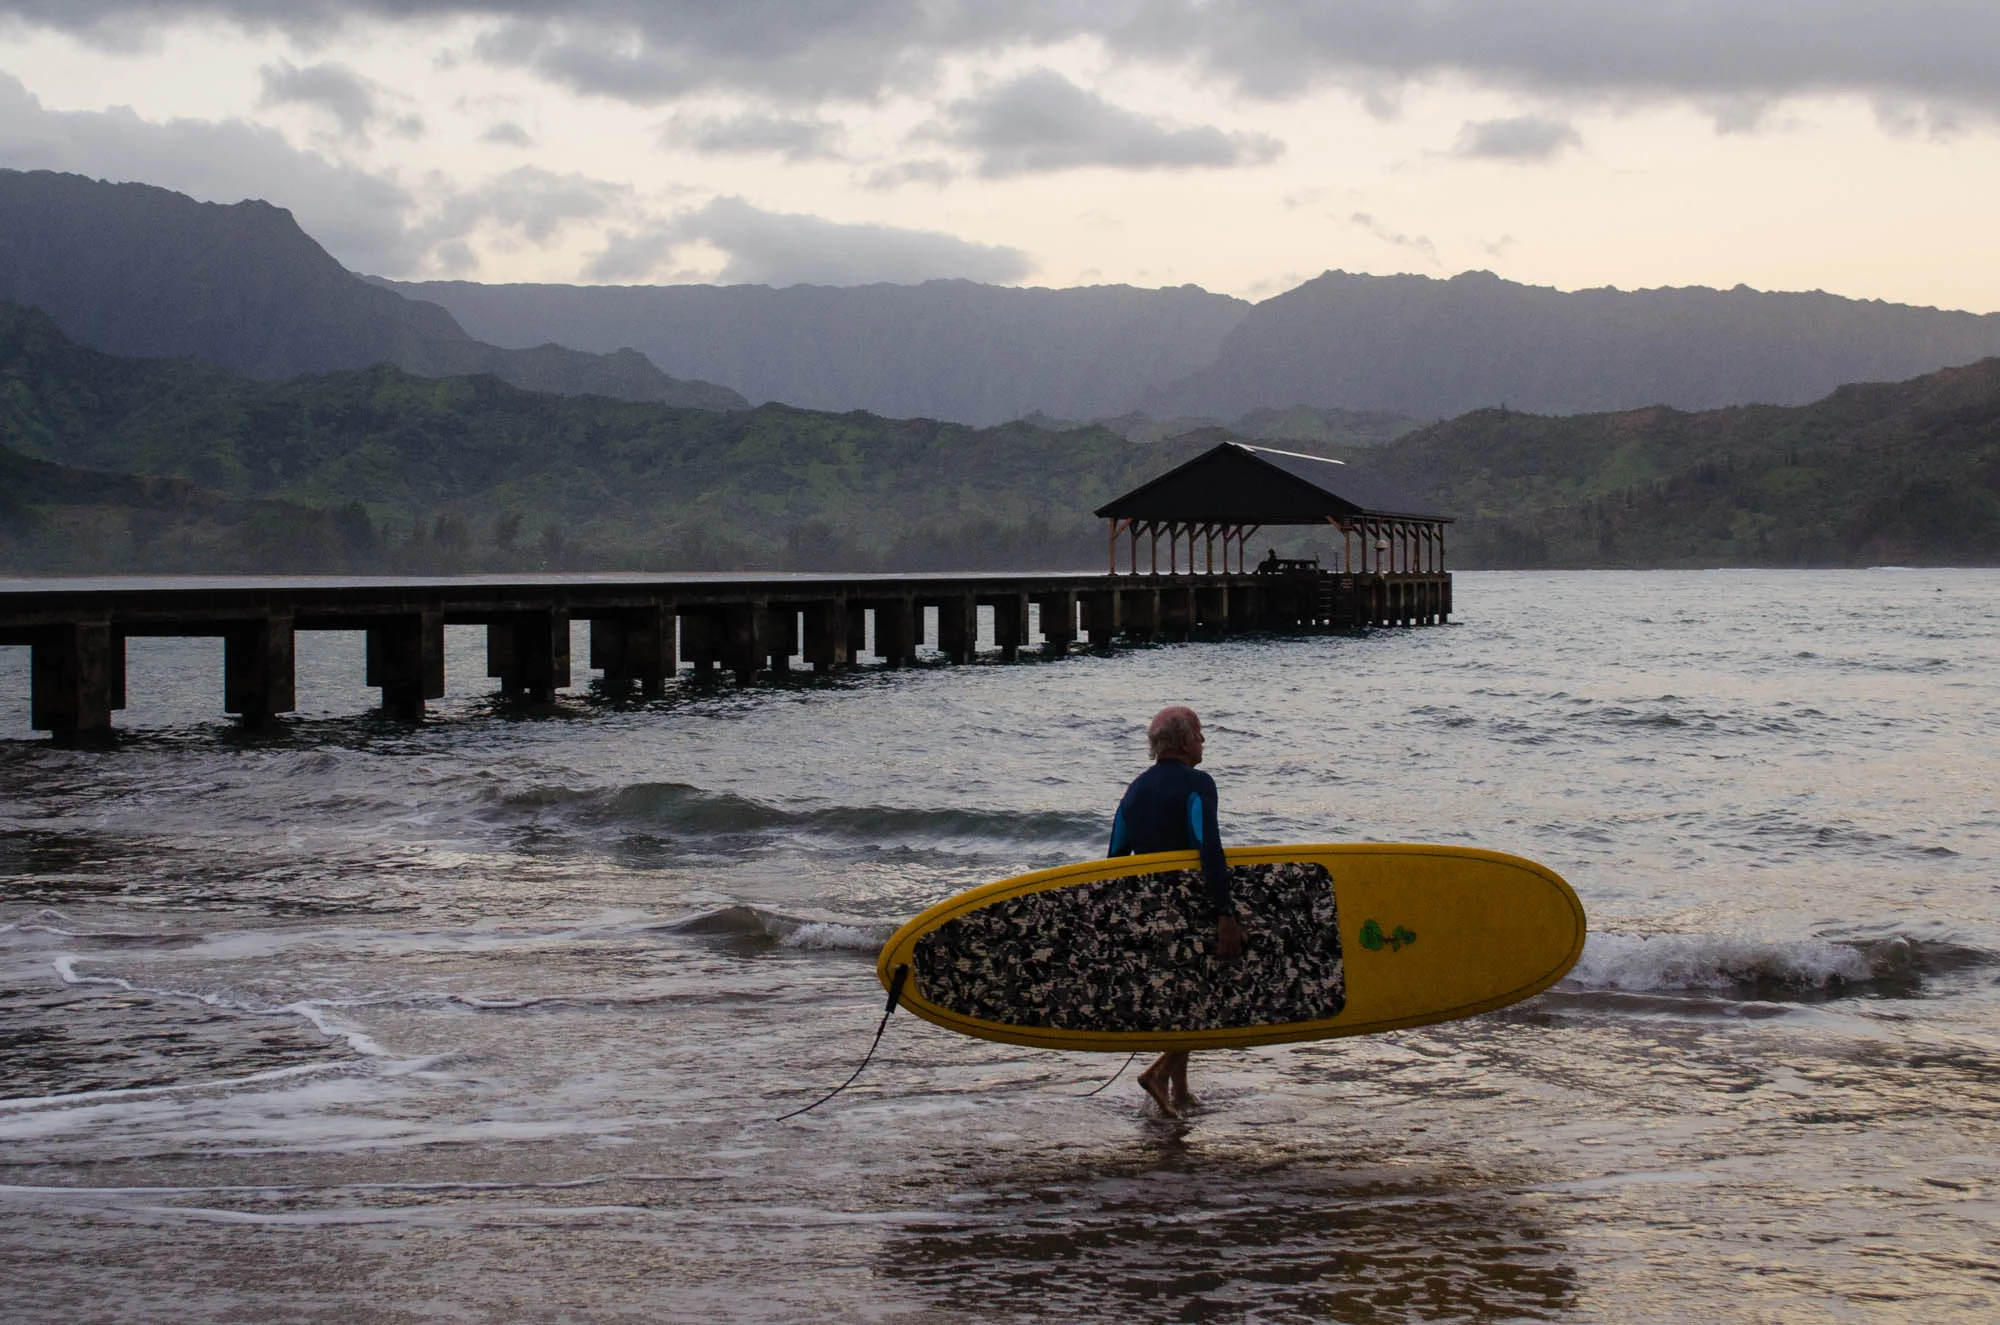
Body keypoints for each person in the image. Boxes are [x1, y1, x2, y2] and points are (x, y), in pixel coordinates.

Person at [1108, 705, 1244, 1117]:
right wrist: (1225, 912)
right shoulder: (1198, 784)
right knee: (1203, 997)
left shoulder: (1132, 791)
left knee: (1179, 1000)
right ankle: (1158, 1072)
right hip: (1192, 910)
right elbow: (1209, 848)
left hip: (1149, 915)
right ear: (1184, 741)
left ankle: (1180, 1091)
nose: (1203, 741)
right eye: (1200, 734)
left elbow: (1115, 857)